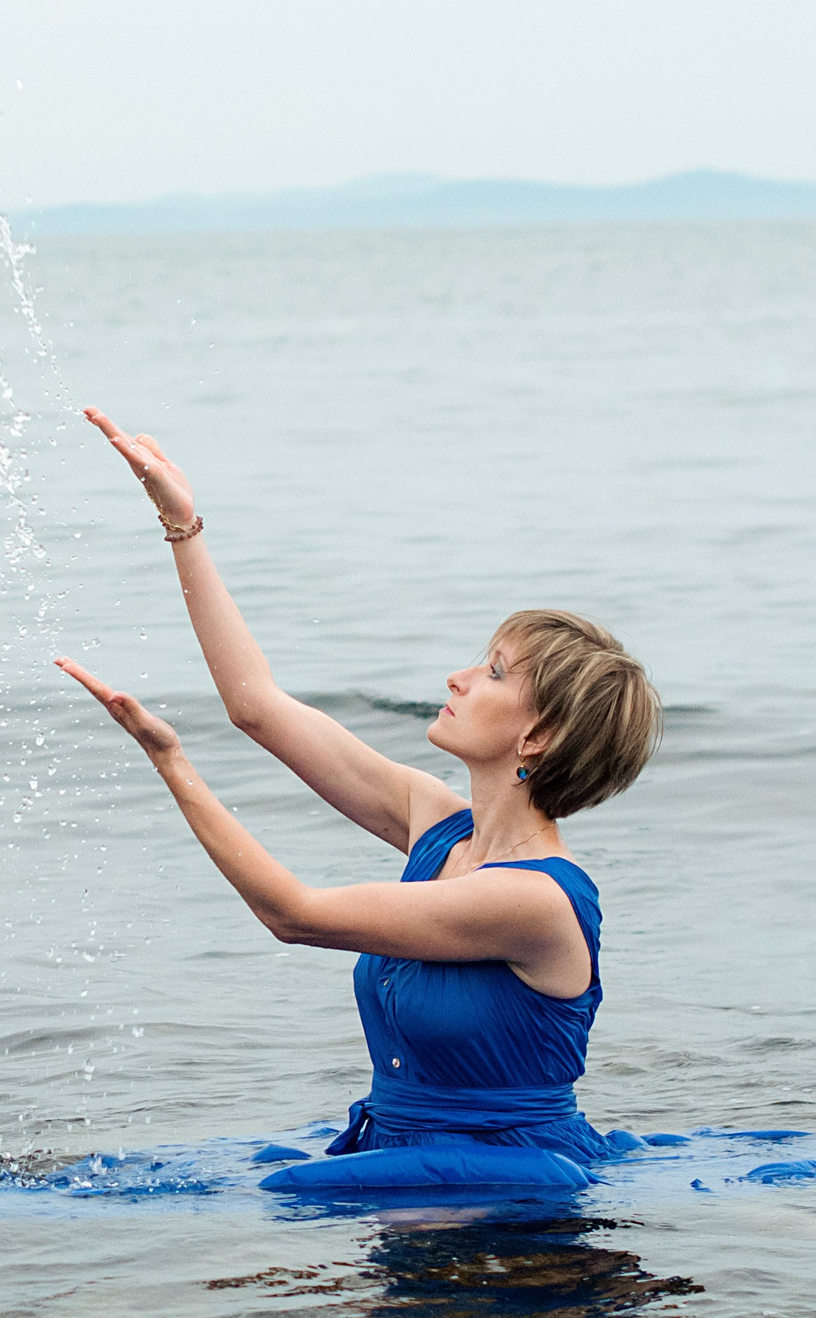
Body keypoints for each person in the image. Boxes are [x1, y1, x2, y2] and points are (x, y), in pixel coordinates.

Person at [55, 407, 662, 1167]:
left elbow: (292, 914)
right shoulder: (437, 826)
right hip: (402, 1161)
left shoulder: (535, 900)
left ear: (537, 737)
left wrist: (171, 763)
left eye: (495, 672)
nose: (460, 677)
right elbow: (258, 707)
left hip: (511, 1191)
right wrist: (184, 528)